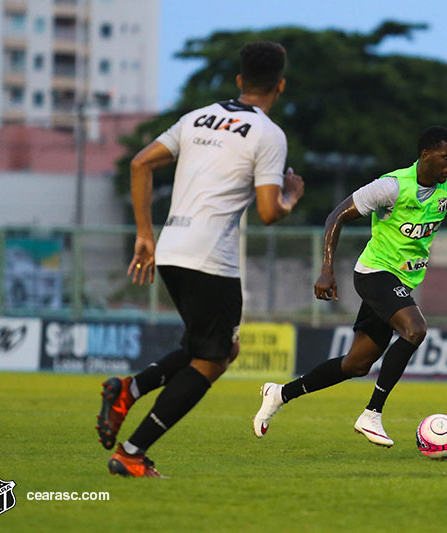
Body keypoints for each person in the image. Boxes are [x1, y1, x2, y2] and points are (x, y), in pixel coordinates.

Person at [95, 41, 304, 477]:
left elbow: (139, 163)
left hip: (171, 249)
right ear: (281, 85)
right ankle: (132, 452)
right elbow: (268, 212)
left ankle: (127, 390)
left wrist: (145, 235)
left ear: (240, 80)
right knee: (212, 358)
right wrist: (291, 197)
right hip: (212, 258)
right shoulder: (268, 134)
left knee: (208, 345)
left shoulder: (196, 118)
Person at [252, 125, 447, 447]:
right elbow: (336, 217)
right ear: (426, 155)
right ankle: (372, 414)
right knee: (416, 330)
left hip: (402, 280)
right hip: (375, 273)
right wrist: (326, 270)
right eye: (446, 157)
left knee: (356, 364)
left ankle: (279, 394)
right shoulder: (390, 187)